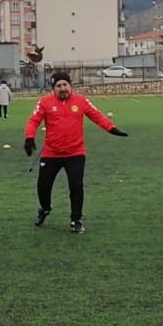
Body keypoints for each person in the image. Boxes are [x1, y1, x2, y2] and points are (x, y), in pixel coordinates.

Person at [24, 71, 128, 233]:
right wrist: (29, 138)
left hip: (75, 153)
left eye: (65, 84)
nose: (63, 88)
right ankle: (44, 209)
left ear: (70, 86)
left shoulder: (81, 101)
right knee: (43, 186)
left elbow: (96, 115)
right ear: (53, 88)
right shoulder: (45, 102)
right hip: (51, 153)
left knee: (76, 186)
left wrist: (111, 129)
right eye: (58, 86)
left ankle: (76, 219)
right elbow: (33, 120)